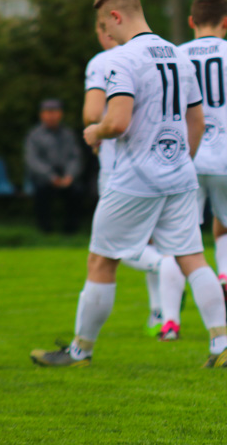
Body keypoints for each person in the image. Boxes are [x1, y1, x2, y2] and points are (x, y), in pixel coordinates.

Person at [30, 0, 227, 369]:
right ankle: (220, 346)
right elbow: (197, 122)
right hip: (179, 177)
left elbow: (118, 120)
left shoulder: (121, 60)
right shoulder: (178, 56)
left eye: (103, 24)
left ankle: (80, 351)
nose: (104, 32)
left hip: (134, 179)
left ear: (117, 17)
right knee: (193, 258)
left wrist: (97, 131)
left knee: (101, 261)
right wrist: (182, 163)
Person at [154, 0, 227, 341]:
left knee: (180, 241)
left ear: (191, 22)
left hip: (186, 157)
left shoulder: (175, 53)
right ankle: (225, 278)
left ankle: (170, 322)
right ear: (225, 22)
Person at [83, 22, 166, 338]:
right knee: (153, 238)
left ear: (107, 29)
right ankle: (160, 314)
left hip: (121, 166)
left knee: (107, 249)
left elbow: (94, 113)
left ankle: (166, 267)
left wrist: (94, 131)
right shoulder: (161, 55)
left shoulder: (103, 62)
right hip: (163, 164)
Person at [24, 99, 83, 234]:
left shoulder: (68, 134)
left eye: (55, 112)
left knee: (77, 191)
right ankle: (45, 230)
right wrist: (50, 176)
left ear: (60, 114)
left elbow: (75, 157)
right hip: (43, 177)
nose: (51, 116)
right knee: (41, 192)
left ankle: (71, 231)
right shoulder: (34, 135)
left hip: (65, 174)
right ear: (42, 115)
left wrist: (70, 175)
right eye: (48, 112)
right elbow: (33, 160)